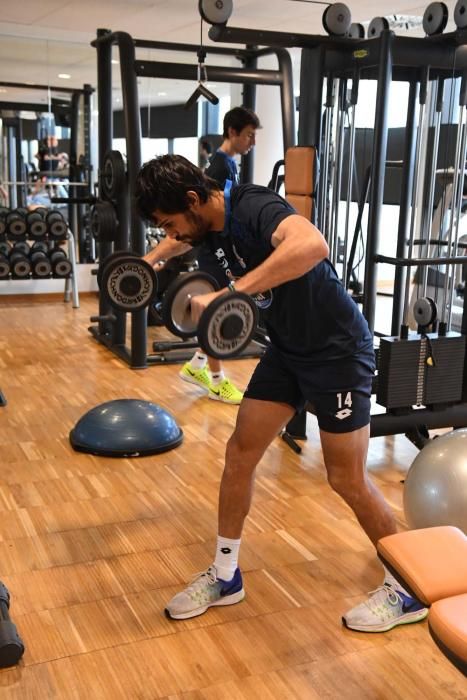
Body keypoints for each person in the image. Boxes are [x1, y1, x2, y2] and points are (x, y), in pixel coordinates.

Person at [136, 154, 429, 632]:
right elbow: (182, 256)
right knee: (240, 452)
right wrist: (146, 264)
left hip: (338, 351)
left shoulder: (252, 206)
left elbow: (313, 244)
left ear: (193, 199)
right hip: (288, 350)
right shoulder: (206, 237)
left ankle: (408, 586)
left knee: (346, 478)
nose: (174, 234)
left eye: (172, 222)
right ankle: (227, 575)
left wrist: (236, 293)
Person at [146, 107, 261, 405]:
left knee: (215, 310)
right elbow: (197, 219)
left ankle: (197, 365)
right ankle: (217, 381)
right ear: (232, 132)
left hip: (222, 249)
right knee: (217, 312)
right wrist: (156, 257)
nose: (253, 142)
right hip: (215, 252)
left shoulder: (228, 165)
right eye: (249, 135)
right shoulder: (219, 168)